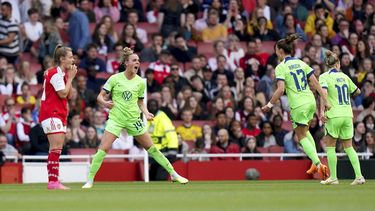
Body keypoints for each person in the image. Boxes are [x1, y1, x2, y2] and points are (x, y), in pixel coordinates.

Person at [82, 47, 188, 189]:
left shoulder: (140, 82)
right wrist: (105, 103)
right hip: (116, 119)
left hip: (133, 120)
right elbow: (99, 97)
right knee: (103, 149)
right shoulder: (115, 79)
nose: (137, 62)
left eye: (138, 60)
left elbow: (140, 101)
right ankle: (90, 180)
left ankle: (174, 174)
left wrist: (145, 112)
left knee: (152, 149)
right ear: (126, 63)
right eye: (134, 60)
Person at [261, 33, 330, 180]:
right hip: (310, 101)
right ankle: (314, 161)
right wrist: (326, 100)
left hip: (298, 104)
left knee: (300, 136)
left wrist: (269, 105)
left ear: (280, 51)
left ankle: (319, 165)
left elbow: (280, 90)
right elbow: (316, 83)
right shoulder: (301, 63)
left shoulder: (281, 67)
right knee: (305, 131)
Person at [319, 51, 365, 185]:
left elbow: (324, 94)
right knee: (349, 147)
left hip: (334, 114)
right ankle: (359, 176)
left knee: (331, 147)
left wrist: (322, 111)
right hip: (347, 114)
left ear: (327, 65)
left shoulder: (324, 77)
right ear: (338, 64)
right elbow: (357, 91)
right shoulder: (345, 77)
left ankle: (333, 177)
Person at [39, 44, 77, 190]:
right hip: (52, 113)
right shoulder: (55, 74)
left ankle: (53, 179)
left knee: (56, 149)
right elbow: (62, 93)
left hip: (58, 113)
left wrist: (70, 77)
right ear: (62, 59)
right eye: (70, 57)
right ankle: (53, 181)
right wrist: (70, 79)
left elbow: (70, 95)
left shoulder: (61, 74)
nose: (72, 60)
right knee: (56, 147)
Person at [147, 99, 179, 180]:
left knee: (160, 178)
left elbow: (171, 134)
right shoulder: (144, 117)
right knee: (151, 178)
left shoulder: (162, 117)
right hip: (150, 153)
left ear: (158, 107)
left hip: (164, 152)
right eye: (150, 106)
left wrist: (173, 150)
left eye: (154, 105)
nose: (152, 107)